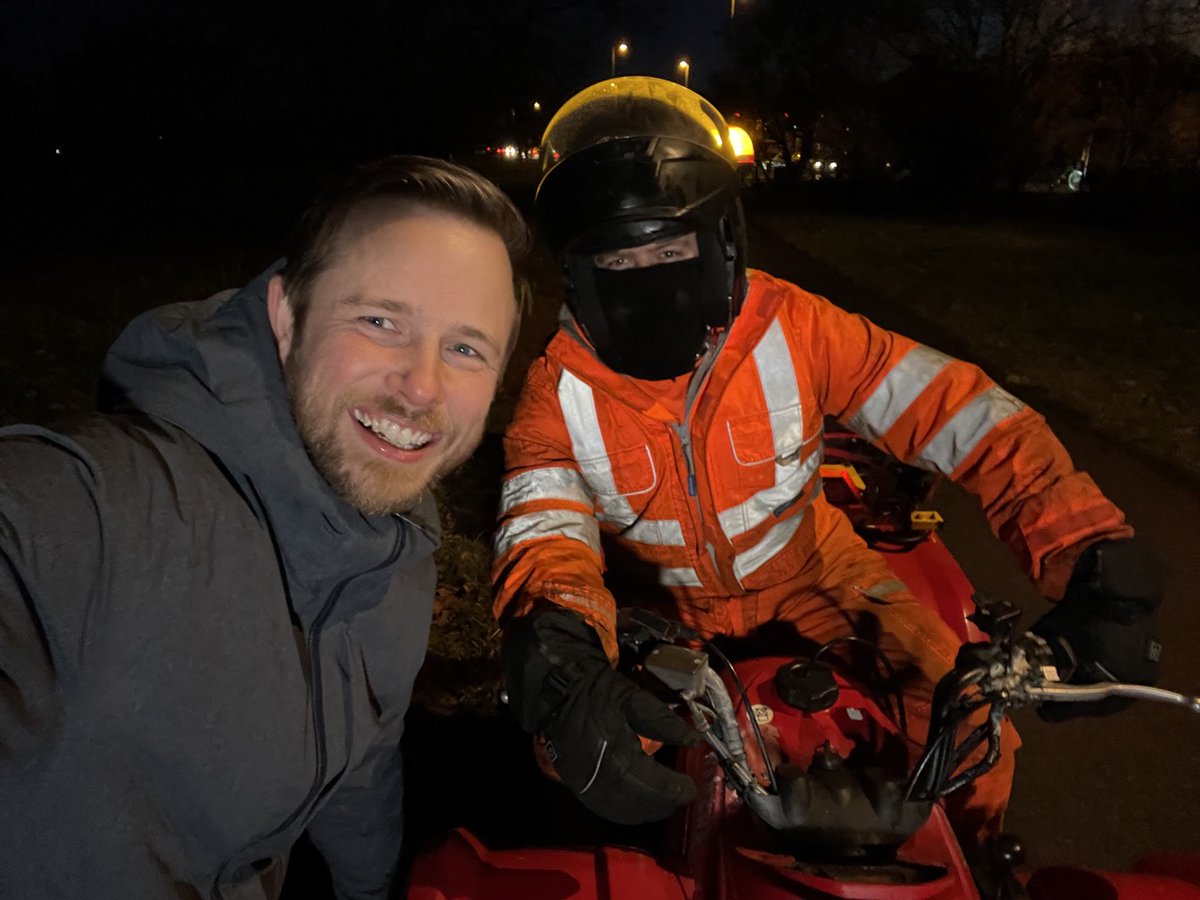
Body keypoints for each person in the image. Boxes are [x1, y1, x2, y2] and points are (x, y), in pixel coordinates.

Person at [492, 78, 1162, 844]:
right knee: (578, 757)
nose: (650, 275)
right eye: (620, 256)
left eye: (671, 246)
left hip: (816, 573)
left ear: (720, 239)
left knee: (973, 730)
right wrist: (565, 653)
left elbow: (958, 411)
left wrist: (1089, 556)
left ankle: (979, 865)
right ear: (580, 267)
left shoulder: (797, 326)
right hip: (661, 613)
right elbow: (542, 536)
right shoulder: (558, 390)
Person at [0, 155, 529, 899]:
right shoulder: (107, 512)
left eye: (466, 349)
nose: (421, 386)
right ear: (286, 317)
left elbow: (362, 766)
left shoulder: (403, 541)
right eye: (381, 321)